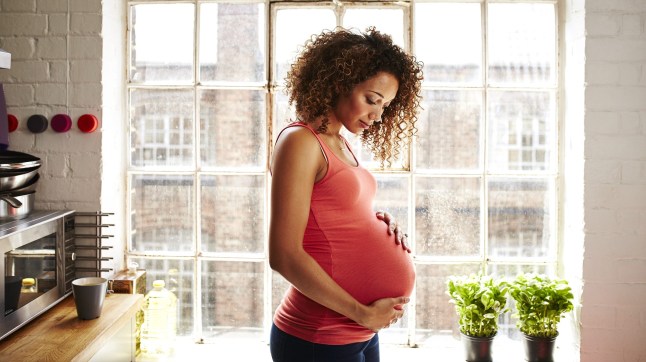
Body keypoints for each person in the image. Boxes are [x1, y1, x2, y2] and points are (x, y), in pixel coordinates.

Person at [269, 26, 423, 362]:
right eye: (371, 100)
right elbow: (283, 254)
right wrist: (361, 312)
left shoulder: (339, 142)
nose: (378, 115)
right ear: (338, 82)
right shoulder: (300, 142)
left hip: (358, 331)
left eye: (385, 106)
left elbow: (330, 216)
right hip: (319, 335)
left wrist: (376, 223)